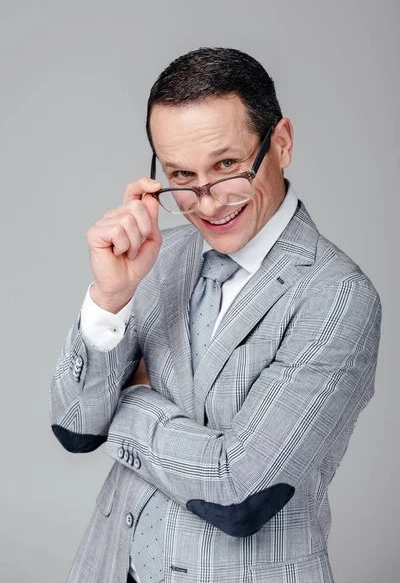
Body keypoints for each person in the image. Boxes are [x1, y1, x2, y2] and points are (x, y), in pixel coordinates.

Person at [49, 47, 382, 583]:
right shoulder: (156, 258)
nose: (206, 203)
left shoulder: (337, 296)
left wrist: (129, 402)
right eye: (182, 175)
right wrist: (109, 299)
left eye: (227, 166)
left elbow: (239, 493)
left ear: (281, 142)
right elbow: (75, 427)